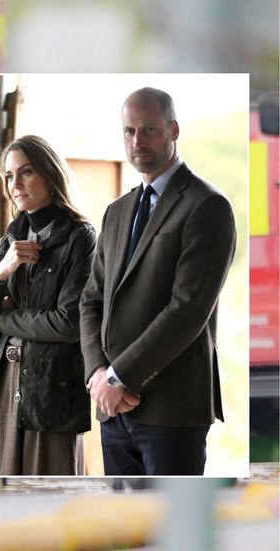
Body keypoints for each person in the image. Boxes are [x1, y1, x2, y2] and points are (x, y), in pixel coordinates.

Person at [80, 87, 236, 476]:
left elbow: (187, 311)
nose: (138, 142)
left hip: (173, 410)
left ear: (174, 130)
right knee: (124, 530)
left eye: (149, 130)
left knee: (172, 529)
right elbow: (90, 301)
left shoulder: (206, 206)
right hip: (112, 410)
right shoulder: (116, 212)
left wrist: (120, 377)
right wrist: (99, 374)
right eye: (129, 131)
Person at [0, 135, 96, 475]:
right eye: (10, 176)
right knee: (6, 494)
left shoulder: (79, 238)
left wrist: (7, 319)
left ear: (50, 175)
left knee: (54, 490)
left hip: (52, 389)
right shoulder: (11, 238)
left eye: (26, 172)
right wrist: (1, 272)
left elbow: (69, 323)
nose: (15, 184)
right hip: (6, 384)